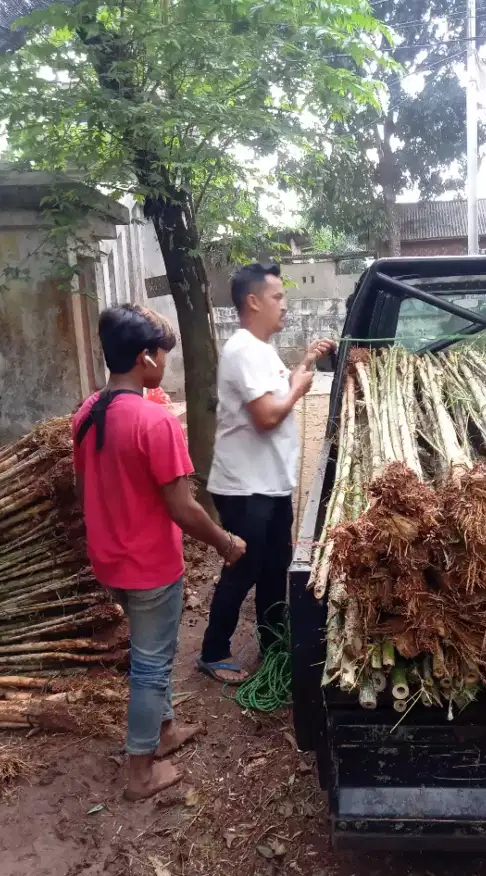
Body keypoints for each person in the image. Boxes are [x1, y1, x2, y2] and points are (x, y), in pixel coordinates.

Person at [72, 304, 246, 801]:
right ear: (146, 358)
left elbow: (86, 490)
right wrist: (226, 542)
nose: (165, 363)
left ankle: (164, 733)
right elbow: (183, 508)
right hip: (149, 566)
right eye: (163, 355)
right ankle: (139, 772)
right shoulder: (155, 422)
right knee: (151, 664)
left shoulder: (87, 413)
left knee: (150, 653)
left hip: (109, 560)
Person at [199, 263, 334, 682]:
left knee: (275, 567)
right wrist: (298, 389)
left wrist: (306, 362)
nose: (285, 307)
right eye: (277, 298)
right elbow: (266, 416)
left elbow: (278, 391)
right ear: (253, 301)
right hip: (244, 488)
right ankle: (213, 651)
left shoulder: (261, 349)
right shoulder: (242, 349)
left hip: (269, 485)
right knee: (244, 567)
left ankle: (274, 647)